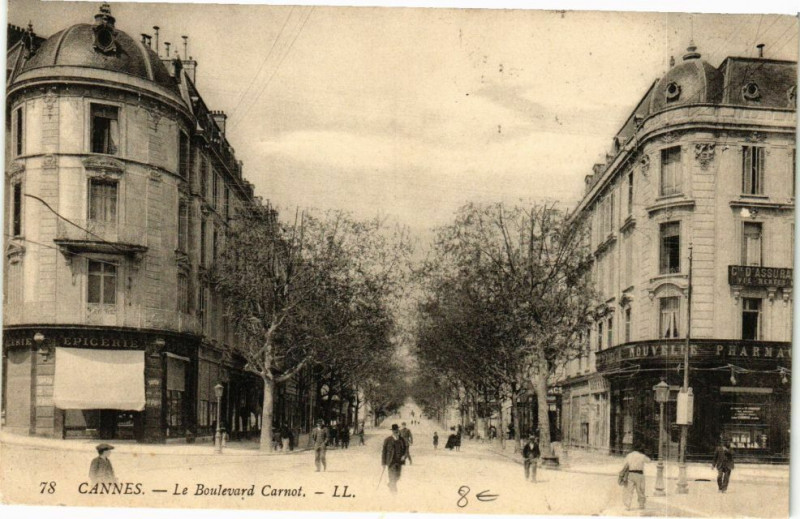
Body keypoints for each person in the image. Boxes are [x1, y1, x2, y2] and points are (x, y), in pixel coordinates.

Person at [620, 443, 651, 510]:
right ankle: (641, 505)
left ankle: (627, 506)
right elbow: (649, 461)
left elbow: (625, 464)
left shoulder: (629, 455)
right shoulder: (642, 456)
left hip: (630, 474)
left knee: (629, 490)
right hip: (639, 474)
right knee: (640, 490)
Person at [382, 424, 408, 493]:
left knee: (398, 476)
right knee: (392, 477)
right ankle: (393, 493)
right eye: (394, 430)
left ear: (398, 430)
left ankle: (391, 485)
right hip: (391, 462)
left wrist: (404, 456)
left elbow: (406, 449)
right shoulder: (387, 440)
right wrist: (383, 463)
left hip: (399, 462)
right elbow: (384, 452)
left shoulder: (402, 439)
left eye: (397, 430)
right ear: (392, 431)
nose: (396, 432)